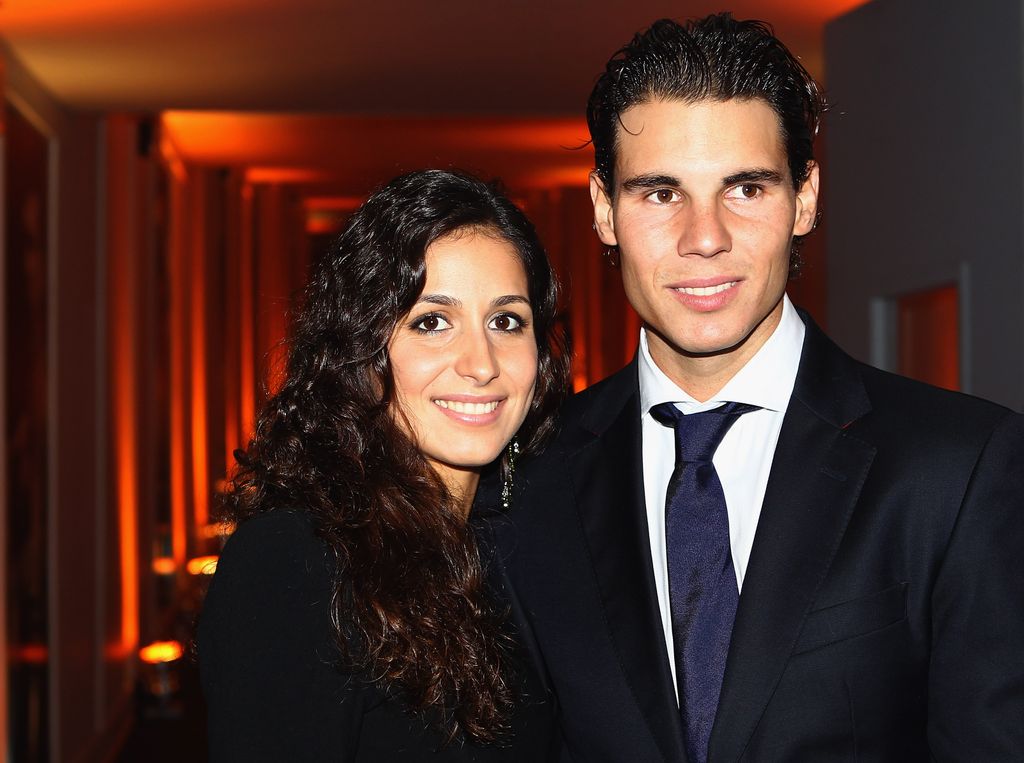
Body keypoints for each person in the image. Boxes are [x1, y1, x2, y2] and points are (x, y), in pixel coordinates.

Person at [492, 13, 1024, 762]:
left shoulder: (957, 468)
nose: (704, 236)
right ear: (603, 209)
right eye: (659, 193)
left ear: (804, 198)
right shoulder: (528, 479)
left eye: (745, 187)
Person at [199, 169, 569, 761]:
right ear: (362, 348)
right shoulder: (295, 562)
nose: (481, 364)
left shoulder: (524, 548)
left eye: (506, 320)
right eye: (431, 322)